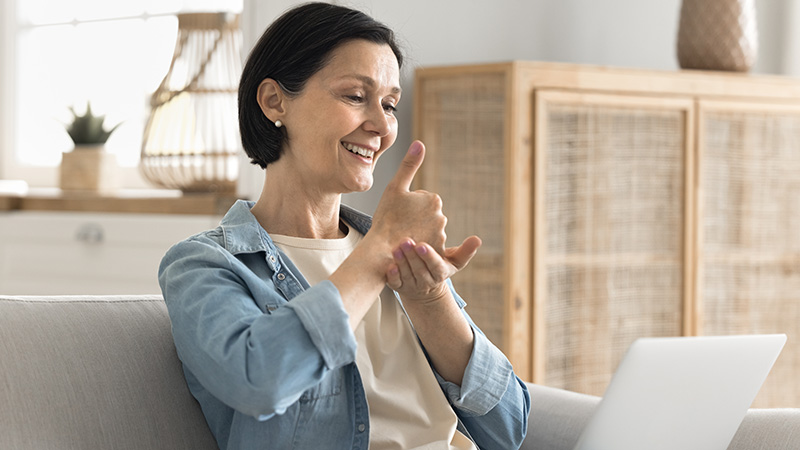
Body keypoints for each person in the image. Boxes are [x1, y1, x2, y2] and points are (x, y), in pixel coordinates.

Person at [158, 3, 530, 449]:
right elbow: (260, 381)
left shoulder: (394, 249)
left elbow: (510, 428)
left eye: (390, 104)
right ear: (275, 101)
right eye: (356, 96)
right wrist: (376, 255)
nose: (381, 125)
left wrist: (430, 299)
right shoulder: (204, 265)